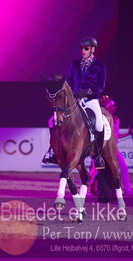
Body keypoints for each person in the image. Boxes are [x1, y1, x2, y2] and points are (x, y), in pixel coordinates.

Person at [42, 36, 107, 169]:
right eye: (81, 48)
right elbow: (69, 81)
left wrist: (88, 92)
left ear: (93, 49)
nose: (83, 50)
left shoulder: (100, 65)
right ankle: (52, 151)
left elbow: (101, 85)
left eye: (86, 48)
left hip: (91, 100)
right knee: (52, 121)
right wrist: (69, 92)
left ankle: (98, 155)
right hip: (75, 99)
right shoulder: (75, 64)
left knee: (99, 124)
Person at [89, 95, 133, 195]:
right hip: (101, 147)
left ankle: (127, 189)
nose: (115, 107)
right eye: (113, 105)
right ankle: (86, 190)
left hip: (113, 148)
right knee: (95, 169)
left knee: (123, 167)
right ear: (107, 107)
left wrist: (127, 134)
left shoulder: (116, 119)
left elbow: (116, 136)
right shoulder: (101, 118)